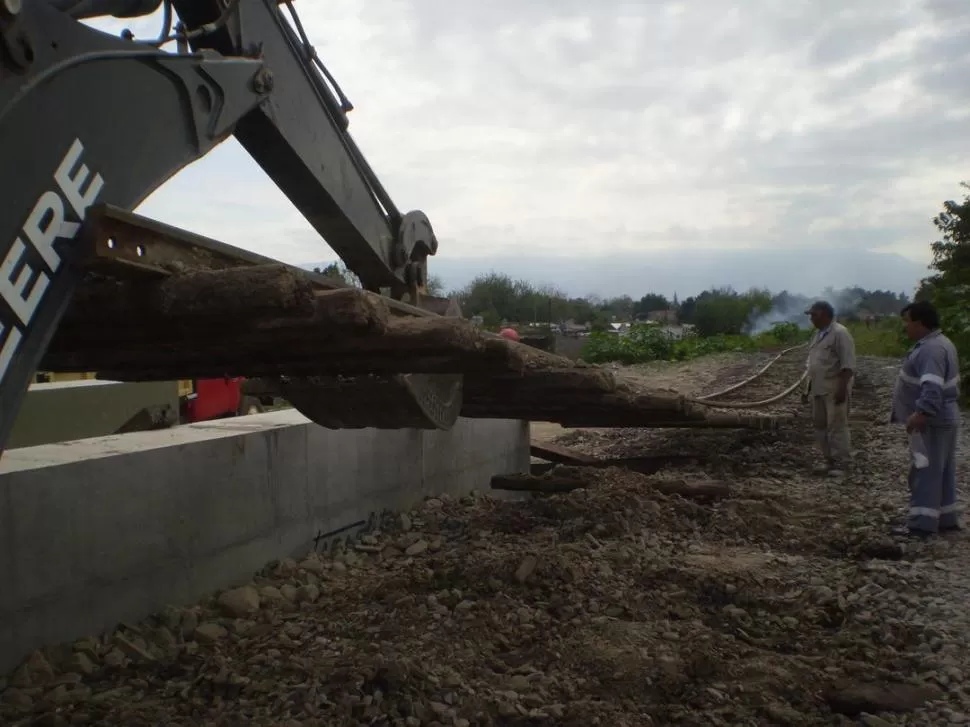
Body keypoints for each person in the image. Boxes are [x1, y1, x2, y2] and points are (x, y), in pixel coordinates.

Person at [890, 300, 961, 538]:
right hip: (943, 418)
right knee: (942, 470)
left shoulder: (931, 349)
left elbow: (932, 387)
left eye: (907, 322)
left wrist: (921, 413)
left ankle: (922, 524)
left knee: (925, 470)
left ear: (920, 324)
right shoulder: (940, 343)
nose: (905, 328)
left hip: (932, 420)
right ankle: (946, 519)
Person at [804, 301, 856, 477]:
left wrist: (842, 389)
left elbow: (848, 365)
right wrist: (807, 390)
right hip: (818, 388)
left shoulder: (840, 334)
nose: (811, 318)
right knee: (820, 426)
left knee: (836, 426)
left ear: (825, 314)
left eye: (814, 315)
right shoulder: (817, 335)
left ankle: (842, 463)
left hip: (834, 388)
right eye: (810, 315)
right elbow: (813, 364)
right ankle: (829, 460)